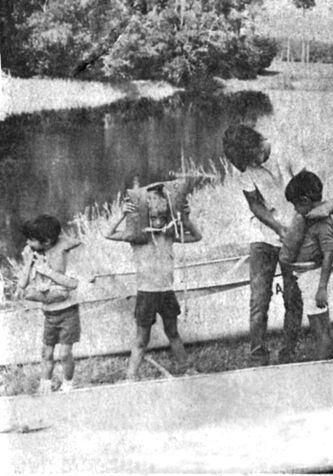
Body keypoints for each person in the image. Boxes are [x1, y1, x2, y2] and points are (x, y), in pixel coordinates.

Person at [222, 124, 303, 365]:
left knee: (293, 295)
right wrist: (277, 228)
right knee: (259, 299)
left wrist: (295, 229)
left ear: (257, 145)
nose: (252, 167)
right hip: (263, 236)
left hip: (295, 233)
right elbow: (255, 204)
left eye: (253, 160)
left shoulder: (285, 150)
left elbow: (307, 190)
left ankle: (289, 350)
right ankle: (257, 353)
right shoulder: (244, 166)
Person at [105, 183, 202, 380]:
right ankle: (130, 376)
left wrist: (186, 219)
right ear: (146, 216)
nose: (158, 222)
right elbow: (108, 234)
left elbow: (197, 237)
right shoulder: (138, 238)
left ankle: (188, 369)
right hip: (146, 293)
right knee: (141, 339)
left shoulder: (169, 236)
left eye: (162, 218)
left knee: (173, 333)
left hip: (166, 292)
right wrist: (123, 215)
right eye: (154, 218)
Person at [16, 215, 81, 394]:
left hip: (68, 312)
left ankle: (68, 384)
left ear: (47, 241)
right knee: (47, 353)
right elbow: (22, 285)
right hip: (49, 313)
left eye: (32, 239)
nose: (28, 242)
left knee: (64, 354)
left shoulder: (63, 249)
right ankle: (45, 387)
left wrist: (56, 239)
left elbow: (73, 283)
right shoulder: (30, 251)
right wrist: (29, 264)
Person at [280, 170, 333, 360]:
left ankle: (323, 369)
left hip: (313, 280)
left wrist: (321, 288)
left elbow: (328, 254)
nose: (296, 211)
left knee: (320, 330)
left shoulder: (322, 223)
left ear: (305, 200)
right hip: (308, 279)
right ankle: (331, 363)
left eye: (296, 205)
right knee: (323, 327)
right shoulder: (311, 219)